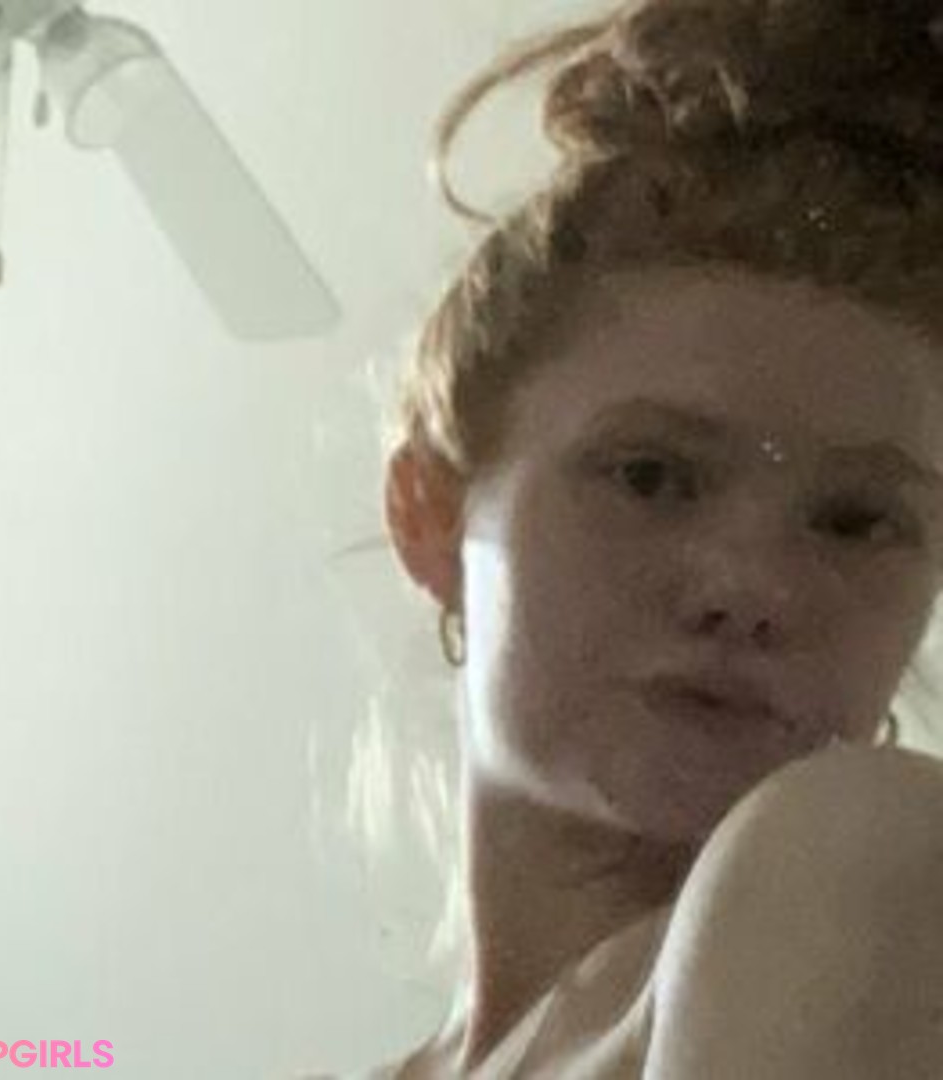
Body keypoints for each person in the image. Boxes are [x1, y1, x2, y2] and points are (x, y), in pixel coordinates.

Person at [317, 0, 943, 1075]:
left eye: (856, 521)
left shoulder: (849, 852)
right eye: (651, 477)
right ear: (431, 512)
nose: (750, 585)